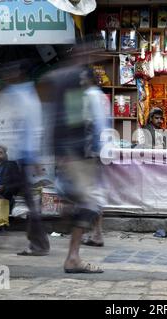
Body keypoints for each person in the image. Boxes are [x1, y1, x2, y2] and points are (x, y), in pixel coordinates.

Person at [52, 63, 109, 273]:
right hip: (80, 158)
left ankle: (74, 254)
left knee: (87, 201)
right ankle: (73, 257)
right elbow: (90, 128)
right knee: (90, 202)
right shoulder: (86, 96)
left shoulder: (84, 96)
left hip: (81, 157)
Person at [0, 59, 51, 256]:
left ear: (18, 74)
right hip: (23, 156)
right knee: (29, 200)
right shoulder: (23, 93)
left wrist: (34, 157)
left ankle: (39, 244)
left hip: (26, 156)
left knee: (29, 200)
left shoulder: (23, 94)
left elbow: (33, 126)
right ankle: (39, 242)